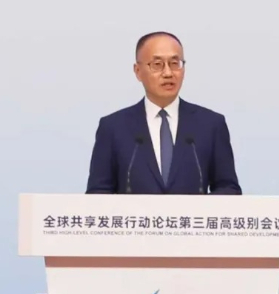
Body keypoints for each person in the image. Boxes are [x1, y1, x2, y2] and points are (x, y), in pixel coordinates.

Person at [85, 31, 242, 195]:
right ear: (138, 71)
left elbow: (228, 188)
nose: (168, 73)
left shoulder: (211, 125)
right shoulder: (113, 128)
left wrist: (198, 209)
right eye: (157, 64)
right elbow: (98, 193)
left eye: (175, 63)